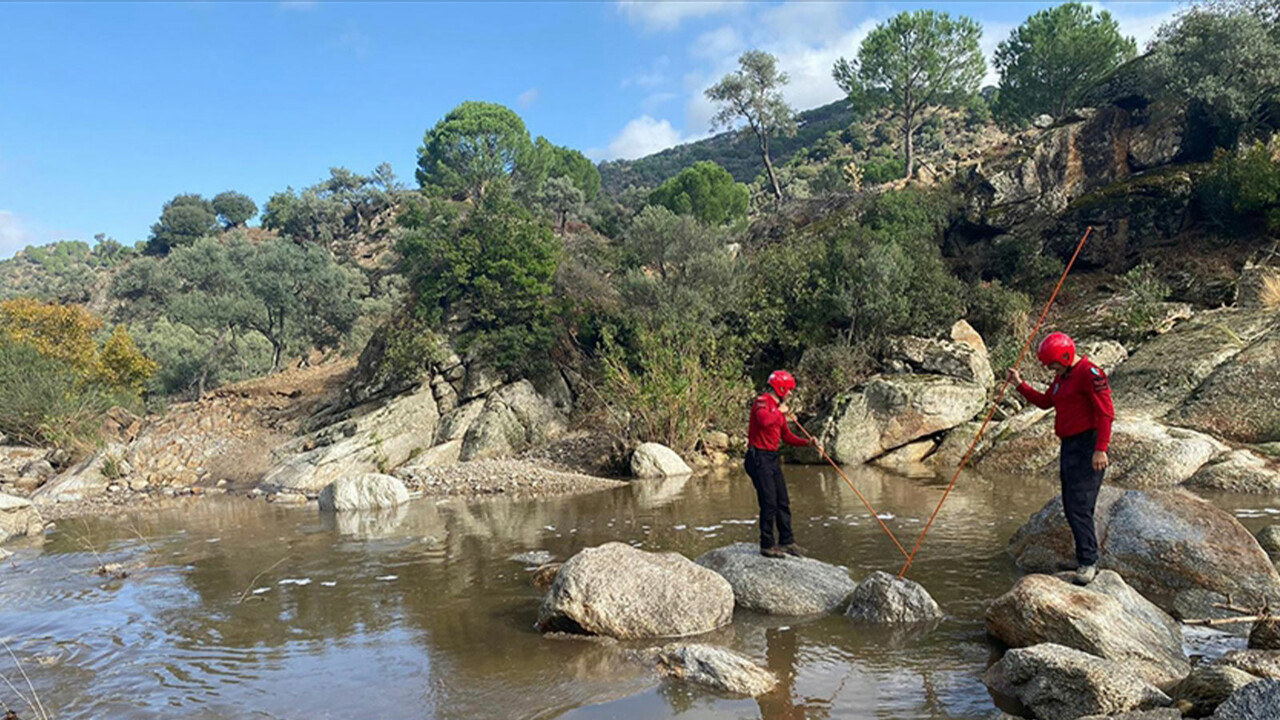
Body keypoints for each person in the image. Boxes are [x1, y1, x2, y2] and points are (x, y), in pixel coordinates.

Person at [1007, 332, 1115, 585]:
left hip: (1088, 445)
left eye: (1052, 363)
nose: (1050, 369)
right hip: (1069, 446)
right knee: (1071, 505)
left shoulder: (1090, 374)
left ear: (1066, 356)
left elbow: (1106, 413)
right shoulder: (1061, 378)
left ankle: (1088, 562)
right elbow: (1046, 402)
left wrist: (1101, 448)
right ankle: (1083, 556)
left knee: (1079, 507)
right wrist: (1019, 384)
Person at [746, 370, 818, 559]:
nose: (791, 394)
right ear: (781, 388)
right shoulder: (763, 402)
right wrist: (780, 411)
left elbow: (786, 436)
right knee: (769, 502)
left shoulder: (778, 408)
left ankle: (787, 541)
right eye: (790, 390)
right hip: (758, 458)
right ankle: (767, 544)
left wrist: (807, 442)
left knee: (782, 501)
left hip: (771, 457)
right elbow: (763, 421)